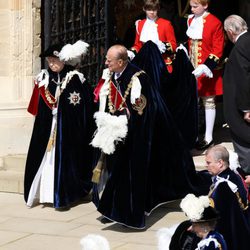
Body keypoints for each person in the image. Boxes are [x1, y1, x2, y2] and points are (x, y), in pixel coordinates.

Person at [91, 44, 211, 229]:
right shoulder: (110, 74)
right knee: (115, 172)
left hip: (135, 135)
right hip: (115, 133)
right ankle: (114, 209)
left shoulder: (138, 79)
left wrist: (126, 125)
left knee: (130, 175)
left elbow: (143, 111)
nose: (106, 63)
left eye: (109, 60)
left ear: (121, 62)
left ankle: (130, 215)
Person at [24, 40, 94, 209]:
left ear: (63, 60)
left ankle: (65, 194)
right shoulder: (43, 78)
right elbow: (38, 107)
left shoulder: (75, 79)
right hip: (46, 130)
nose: (51, 64)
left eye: (54, 61)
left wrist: (64, 113)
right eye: (49, 61)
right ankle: (46, 194)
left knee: (65, 161)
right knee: (44, 160)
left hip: (67, 132)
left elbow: (84, 106)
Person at [186, 0, 225, 150]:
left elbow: (218, 49)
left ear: (205, 5)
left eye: (195, 6)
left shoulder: (215, 22)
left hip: (208, 70)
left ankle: (208, 137)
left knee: (208, 101)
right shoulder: (190, 19)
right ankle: (194, 135)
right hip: (192, 69)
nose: (192, 9)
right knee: (193, 103)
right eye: (191, 6)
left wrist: (206, 66)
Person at [205, 145, 250, 250]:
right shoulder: (234, 174)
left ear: (220, 163)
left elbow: (218, 219)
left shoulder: (222, 187)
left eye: (208, 163)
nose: (206, 166)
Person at [223, 15, 250, 176]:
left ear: (231, 32)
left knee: (245, 149)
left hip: (242, 111)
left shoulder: (240, 47)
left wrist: (246, 109)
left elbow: (243, 79)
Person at [130, 0, 177, 73]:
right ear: (144, 9)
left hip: (161, 63)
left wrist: (163, 45)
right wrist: (131, 53)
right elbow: (138, 45)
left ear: (158, 9)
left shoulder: (166, 24)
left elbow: (173, 45)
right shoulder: (140, 24)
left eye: (154, 9)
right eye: (149, 9)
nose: (152, 12)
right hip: (144, 64)